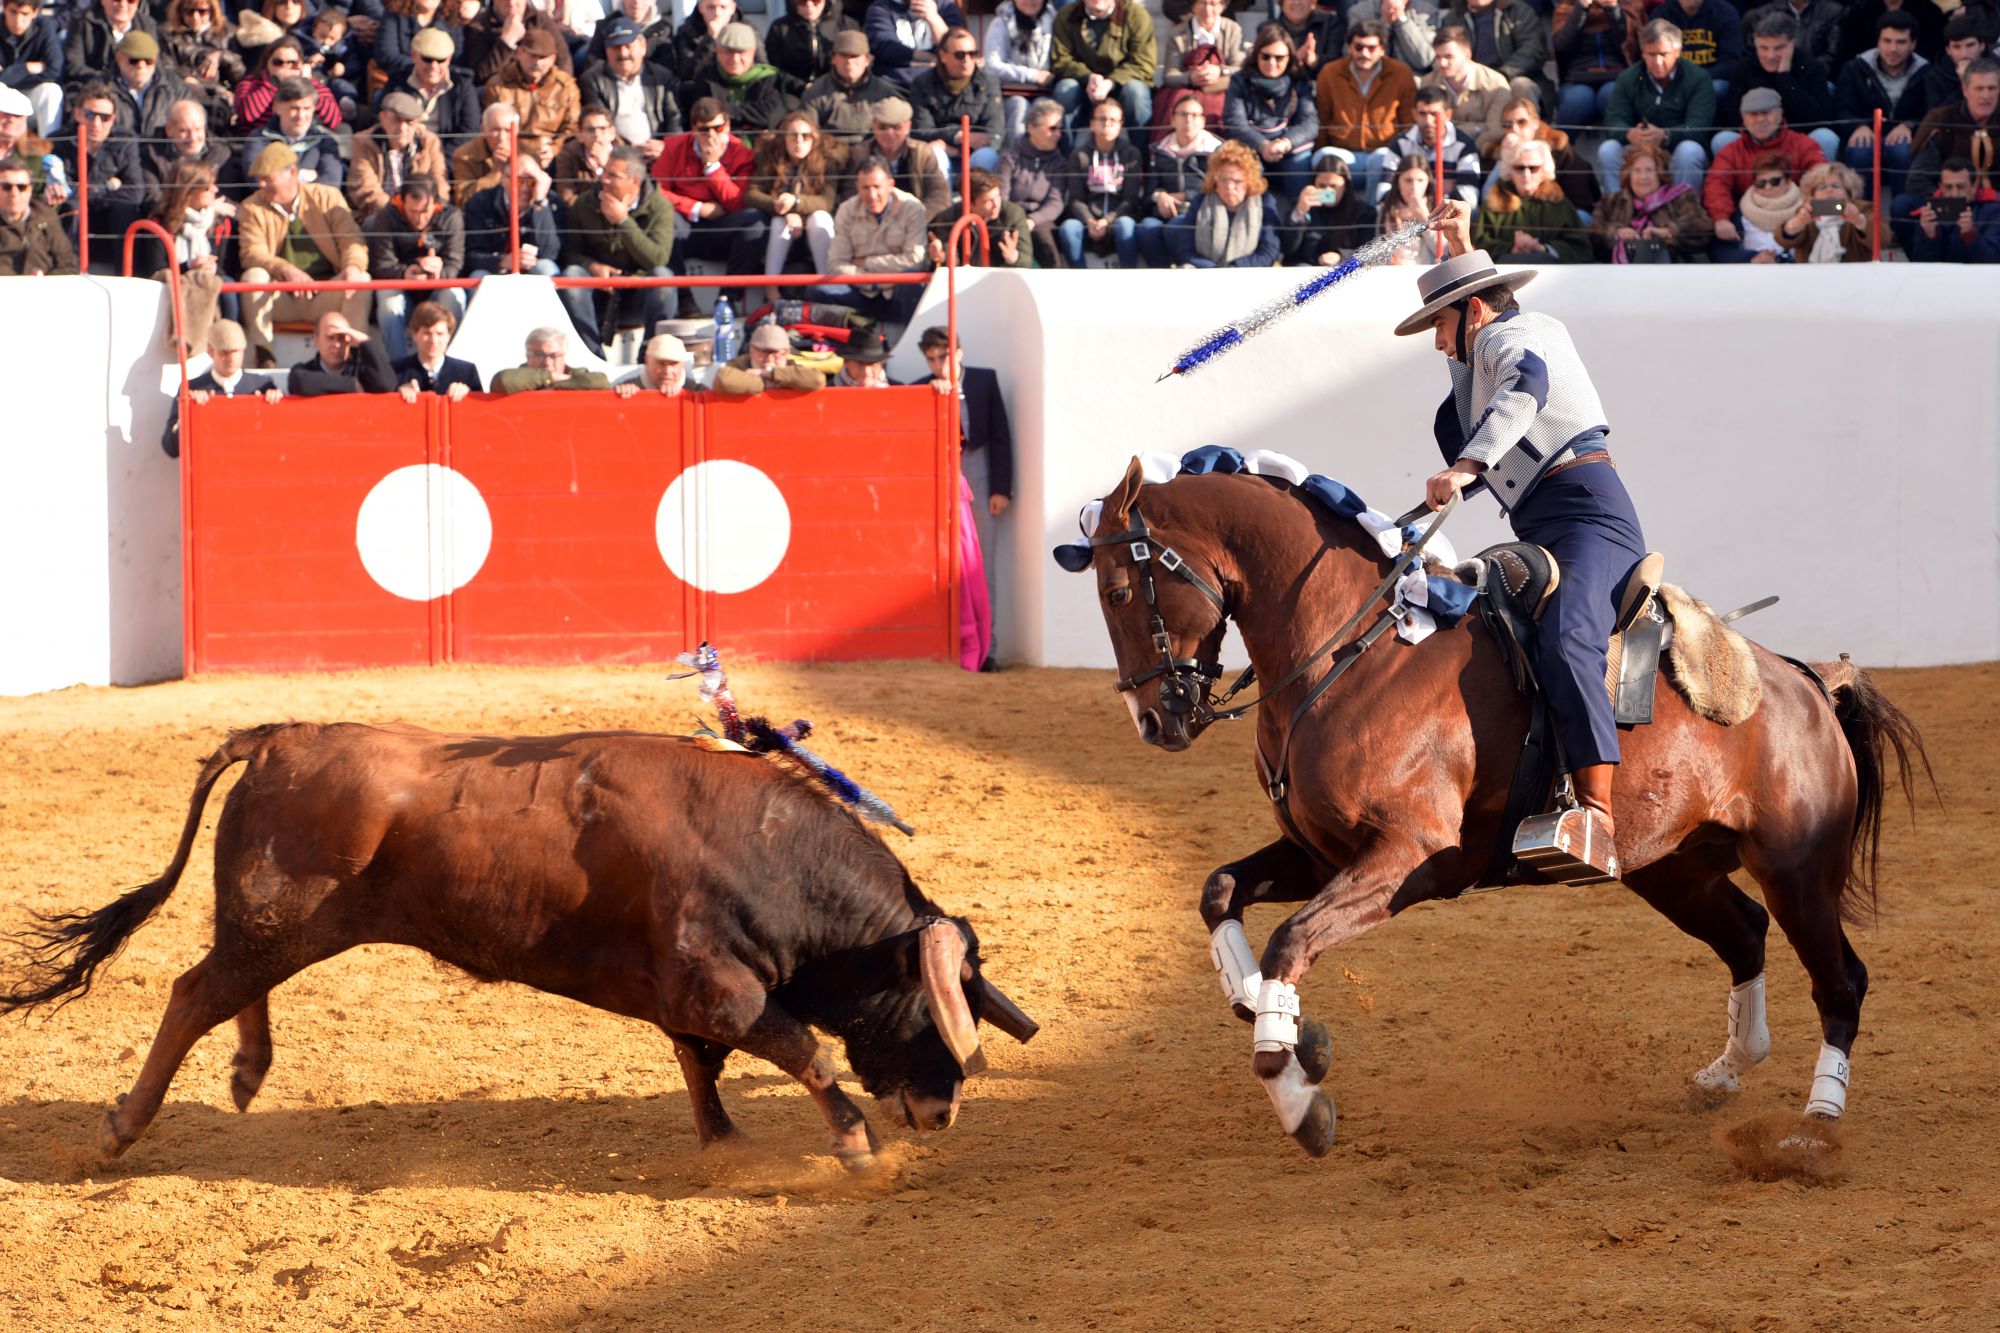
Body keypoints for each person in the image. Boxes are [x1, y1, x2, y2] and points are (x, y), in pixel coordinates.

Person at [1397, 199, 1645, 882]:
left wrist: (1464, 467)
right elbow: (1473, 395)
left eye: (1441, 325)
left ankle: (1597, 813)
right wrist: (1459, 248)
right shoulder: (1493, 340)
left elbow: (1520, 389)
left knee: (1569, 638)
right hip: (1544, 521)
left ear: (1475, 310)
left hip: (1590, 515)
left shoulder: (1519, 335)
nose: (1437, 342)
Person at [919, 322, 1009, 671]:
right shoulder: (924, 388)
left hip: (980, 478)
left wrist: (1001, 488)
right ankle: (949, 647)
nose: (938, 364)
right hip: (941, 482)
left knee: (981, 565)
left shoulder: (984, 380)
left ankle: (989, 650)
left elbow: (1000, 436)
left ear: (959, 352)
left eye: (943, 356)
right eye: (931, 359)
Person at [236, 141, 370, 368]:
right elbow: (252, 253)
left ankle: (356, 356)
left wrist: (352, 267)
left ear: (292, 173)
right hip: (283, 297)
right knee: (253, 278)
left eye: (267, 179)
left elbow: (352, 240)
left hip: (326, 295)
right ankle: (264, 354)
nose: (261, 184)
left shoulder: (327, 197)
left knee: (361, 280)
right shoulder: (251, 207)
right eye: (260, 179)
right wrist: (286, 270)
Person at [561, 143, 677, 354]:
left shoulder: (660, 207)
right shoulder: (584, 203)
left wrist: (623, 221)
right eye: (604, 172)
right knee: (572, 275)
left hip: (638, 294)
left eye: (613, 176)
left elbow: (658, 259)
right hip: (598, 293)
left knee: (663, 278)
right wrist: (591, 266)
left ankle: (650, 353)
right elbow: (568, 253)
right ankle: (592, 354)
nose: (604, 180)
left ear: (634, 181)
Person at [652, 96, 762, 316]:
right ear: (693, 129)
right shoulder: (674, 146)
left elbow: (738, 202)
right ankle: (685, 300)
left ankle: (728, 299)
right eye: (704, 130)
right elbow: (656, 192)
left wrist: (712, 167)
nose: (711, 135)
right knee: (663, 215)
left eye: (718, 128)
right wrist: (696, 208)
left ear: (728, 125)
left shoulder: (742, 153)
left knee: (756, 221)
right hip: (685, 225)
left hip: (723, 228)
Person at [1599, 18, 1716, 193]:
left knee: (1690, 151)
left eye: (1663, 54)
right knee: (1608, 149)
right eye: (1651, 55)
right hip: (1640, 150)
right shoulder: (1628, 78)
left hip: (1677, 148)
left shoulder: (1698, 78)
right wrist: (1630, 133)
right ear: (1642, 53)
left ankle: (1684, 212)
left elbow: (1699, 126)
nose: (1657, 62)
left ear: (1677, 52)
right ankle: (1618, 210)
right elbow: (1614, 120)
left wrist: (1666, 135)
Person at [1702, 85, 1827, 248]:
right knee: (1721, 245)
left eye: (1766, 113)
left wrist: (1826, 208)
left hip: (1797, 214)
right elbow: (1717, 184)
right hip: (1748, 217)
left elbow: (1824, 179)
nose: (1760, 119)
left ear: (1780, 114)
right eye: (1753, 114)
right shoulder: (1730, 152)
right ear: (1743, 119)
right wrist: (1721, 219)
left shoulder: (1803, 144)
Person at [812, 157, 928, 322]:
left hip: (897, 291)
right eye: (865, 188)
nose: (872, 195)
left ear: (890, 184)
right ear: (857, 187)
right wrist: (874, 283)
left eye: (877, 187)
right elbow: (836, 264)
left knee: (912, 281)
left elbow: (915, 261)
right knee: (818, 290)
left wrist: (866, 263)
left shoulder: (912, 208)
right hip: (862, 290)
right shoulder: (846, 210)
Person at [1314, 19, 1416, 203]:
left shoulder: (1400, 73)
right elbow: (1322, 117)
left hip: (1384, 153)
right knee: (1323, 157)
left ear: (1382, 49)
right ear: (1349, 47)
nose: (1364, 53)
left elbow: (1408, 122)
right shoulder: (1330, 73)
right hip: (1344, 153)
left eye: (1371, 48)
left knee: (1381, 157)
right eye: (1358, 47)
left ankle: (1370, 215)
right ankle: (1326, 219)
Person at [366, 175, 464, 363]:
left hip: (437, 292)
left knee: (454, 294)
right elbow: (380, 264)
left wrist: (439, 272)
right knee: (388, 299)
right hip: (403, 292)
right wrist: (405, 273)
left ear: (435, 202)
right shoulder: (386, 216)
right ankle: (398, 368)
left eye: (425, 212)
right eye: (412, 212)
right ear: (401, 202)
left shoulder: (451, 216)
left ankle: (449, 365)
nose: (419, 219)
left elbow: (456, 263)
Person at [1834, 11, 1932, 198]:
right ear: (1878, 41)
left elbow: (1931, 112)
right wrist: (1858, 126)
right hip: (1867, 133)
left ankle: (1902, 216)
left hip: (1903, 137)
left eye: (1901, 42)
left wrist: (1910, 125)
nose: (1893, 48)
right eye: (1887, 41)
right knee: (1860, 150)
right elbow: (1841, 109)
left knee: (1903, 150)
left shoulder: (1926, 72)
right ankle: (1862, 217)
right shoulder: (1855, 68)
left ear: (1913, 44)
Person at [47, 83, 144, 270]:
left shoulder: (126, 141)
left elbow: (135, 192)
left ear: (113, 119)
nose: (96, 123)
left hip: (108, 219)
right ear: (77, 114)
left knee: (125, 209)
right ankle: (69, 272)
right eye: (90, 115)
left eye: (105, 117)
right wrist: (107, 186)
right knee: (72, 207)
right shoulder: (58, 142)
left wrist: (85, 190)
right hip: (74, 221)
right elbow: (61, 191)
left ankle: (126, 275)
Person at [1717, 13, 1839, 161]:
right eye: (1764, 48)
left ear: (1792, 44)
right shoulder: (1744, 68)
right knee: (1723, 139)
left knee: (1825, 137)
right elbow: (1732, 116)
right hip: (1754, 142)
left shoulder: (1811, 67)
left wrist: (1784, 77)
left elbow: (1818, 118)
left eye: (1778, 48)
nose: (1770, 55)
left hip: (1798, 143)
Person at [739, 107, 837, 281]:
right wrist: (777, 206)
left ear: (814, 139)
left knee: (820, 218)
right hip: (781, 229)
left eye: (805, 136)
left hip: (813, 230)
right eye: (793, 136)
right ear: (784, 138)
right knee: (779, 222)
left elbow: (827, 201)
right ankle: (771, 287)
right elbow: (751, 194)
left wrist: (796, 203)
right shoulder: (771, 158)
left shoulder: (827, 161)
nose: (799, 142)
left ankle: (826, 283)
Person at [160, 319, 282, 458]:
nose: (230, 358)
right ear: (211, 351)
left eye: (235, 351)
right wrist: (190, 413)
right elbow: (170, 448)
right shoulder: (191, 388)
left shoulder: (263, 385)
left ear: (243, 351)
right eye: (224, 352)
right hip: (210, 474)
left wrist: (277, 405)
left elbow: (280, 439)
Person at [1226, 23, 1320, 199]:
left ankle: (1299, 219)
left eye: (1279, 58)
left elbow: (1310, 123)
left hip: (1287, 148)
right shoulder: (1240, 81)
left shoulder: (1298, 80)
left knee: (1299, 163)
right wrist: (1263, 145)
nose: (1272, 63)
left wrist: (1285, 142)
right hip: (1252, 147)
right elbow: (1234, 122)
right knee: (1247, 165)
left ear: (1289, 58)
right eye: (1265, 57)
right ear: (1256, 55)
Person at [1165, 137, 1282, 265]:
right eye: (1224, 180)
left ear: (1249, 181)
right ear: (1215, 180)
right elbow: (1184, 250)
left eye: (1237, 181)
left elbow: (1269, 251)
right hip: (1205, 274)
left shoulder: (1264, 203)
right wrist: (1213, 270)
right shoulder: (1200, 201)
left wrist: (1234, 268)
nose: (1230, 187)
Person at [1590, 139, 1712, 260]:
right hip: (1619, 272)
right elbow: (1593, 230)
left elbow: (1702, 228)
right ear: (1629, 175)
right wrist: (1616, 233)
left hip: (1673, 268)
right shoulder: (1611, 201)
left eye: (1649, 170)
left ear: (1659, 174)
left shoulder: (1681, 197)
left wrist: (1669, 232)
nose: (1643, 177)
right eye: (1637, 171)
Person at [581, 17, 681, 163]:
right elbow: (601, 124)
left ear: (643, 47)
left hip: (660, 153)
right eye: (616, 48)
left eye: (628, 46)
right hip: (616, 156)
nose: (623, 53)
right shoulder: (593, 80)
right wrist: (629, 150)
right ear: (606, 51)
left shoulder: (662, 77)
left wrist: (666, 146)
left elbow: (675, 118)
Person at [1471, 136, 1589, 259]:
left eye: (1533, 168)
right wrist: (1512, 247)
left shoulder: (1557, 201)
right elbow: (1479, 244)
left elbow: (1580, 248)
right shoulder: (1495, 200)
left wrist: (1543, 249)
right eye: (1520, 168)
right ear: (1510, 171)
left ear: (1544, 171)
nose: (1526, 175)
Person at [1058, 95, 1143, 265]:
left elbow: (1130, 199)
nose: (1107, 124)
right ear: (1092, 124)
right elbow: (1076, 198)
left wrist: (1107, 220)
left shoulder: (1131, 154)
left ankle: (1131, 277)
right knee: (1068, 228)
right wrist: (1089, 220)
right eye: (1102, 119)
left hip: (1118, 217)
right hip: (1087, 220)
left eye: (1113, 120)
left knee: (1126, 226)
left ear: (1120, 126)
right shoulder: (1079, 155)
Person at [1049, 0, 1156, 134]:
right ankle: (1065, 152)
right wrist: (1088, 77)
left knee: (1136, 92)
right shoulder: (1067, 15)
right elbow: (1060, 60)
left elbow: (1144, 62)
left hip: (1122, 86)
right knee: (1065, 89)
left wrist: (1110, 82)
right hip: (1083, 86)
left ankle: (1141, 153)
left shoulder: (1135, 15)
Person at [1137, 93, 1220, 264]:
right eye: (1183, 114)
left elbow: (1219, 188)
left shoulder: (1217, 151)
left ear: (1203, 121)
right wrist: (1159, 197)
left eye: (1194, 115)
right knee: (1146, 228)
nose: (1189, 120)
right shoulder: (1159, 151)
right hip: (1165, 213)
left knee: (1177, 226)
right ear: (1173, 120)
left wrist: (1184, 196)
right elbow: (1148, 194)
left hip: (1203, 211)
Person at [909, 25, 1004, 173]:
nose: (967, 60)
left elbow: (994, 132)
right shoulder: (922, 84)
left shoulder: (989, 83)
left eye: (972, 54)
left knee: (988, 155)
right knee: (933, 153)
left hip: (975, 154)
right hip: (942, 151)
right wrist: (958, 136)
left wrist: (959, 145)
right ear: (943, 55)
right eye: (960, 55)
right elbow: (921, 131)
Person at [1483, 95, 1600, 212]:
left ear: (1535, 123)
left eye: (1521, 122)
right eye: (1508, 125)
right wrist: (1505, 157)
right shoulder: (1500, 147)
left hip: (1565, 210)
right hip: (1519, 214)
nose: (1515, 129)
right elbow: (1487, 199)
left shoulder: (1557, 147)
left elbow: (1580, 193)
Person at [845, 94, 951, 220]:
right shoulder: (858, 154)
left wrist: (916, 218)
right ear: (873, 126)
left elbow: (939, 196)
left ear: (908, 126)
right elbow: (849, 195)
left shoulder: (922, 153)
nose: (890, 133)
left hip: (916, 222)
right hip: (870, 225)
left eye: (896, 127)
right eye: (883, 127)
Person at [483, 26, 580, 160]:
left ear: (553, 58)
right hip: (508, 156)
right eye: (532, 55)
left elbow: (572, 127)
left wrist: (554, 149)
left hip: (551, 157)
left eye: (543, 57)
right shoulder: (499, 84)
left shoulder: (566, 87)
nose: (537, 62)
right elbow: (489, 127)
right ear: (519, 53)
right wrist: (505, 147)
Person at [350, 90, 448, 221]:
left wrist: (426, 210)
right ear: (382, 118)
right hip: (383, 215)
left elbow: (440, 182)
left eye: (409, 122)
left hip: (423, 212)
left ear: (417, 122)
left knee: (451, 219)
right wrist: (402, 213)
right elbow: (366, 189)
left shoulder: (429, 142)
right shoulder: (363, 142)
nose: (403, 128)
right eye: (397, 120)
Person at [678, 20, 790, 135]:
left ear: (753, 52)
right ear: (717, 51)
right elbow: (704, 115)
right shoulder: (706, 78)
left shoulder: (768, 79)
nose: (735, 59)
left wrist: (726, 111)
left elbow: (770, 115)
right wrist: (749, 118)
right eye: (728, 52)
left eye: (742, 52)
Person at [1439, 0, 1550, 112]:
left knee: (1522, 86)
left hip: (1511, 77)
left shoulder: (1518, 11)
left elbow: (1532, 49)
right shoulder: (1453, 17)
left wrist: (1502, 74)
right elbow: (1444, 51)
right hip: (1471, 80)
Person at [384, 26, 482, 153]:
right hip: (402, 156)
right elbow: (385, 122)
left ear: (449, 59)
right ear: (414, 56)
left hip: (446, 161)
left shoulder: (463, 87)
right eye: (427, 59)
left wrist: (439, 161)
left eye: (441, 60)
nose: (433, 66)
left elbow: (469, 132)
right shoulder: (397, 83)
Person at [237, 76, 345, 192]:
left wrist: (280, 179)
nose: (301, 116)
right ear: (277, 107)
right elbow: (257, 179)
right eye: (294, 108)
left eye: (307, 108)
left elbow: (331, 186)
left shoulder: (325, 142)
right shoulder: (258, 138)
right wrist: (303, 176)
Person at [1550, 0, 1644, 129]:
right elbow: (1562, 46)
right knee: (1578, 99)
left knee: (1611, 94)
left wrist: (1613, 10)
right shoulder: (1566, 8)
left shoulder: (1629, 5)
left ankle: (1619, 144)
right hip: (1577, 78)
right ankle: (1562, 147)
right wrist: (1580, 9)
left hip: (1617, 75)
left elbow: (1631, 47)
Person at [1159, 0, 1246, 136]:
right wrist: (1191, 77)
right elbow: (1170, 75)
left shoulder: (1233, 29)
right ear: (1192, 6)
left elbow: (1240, 68)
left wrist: (1221, 71)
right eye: (1202, 3)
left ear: (1222, 6)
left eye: (1213, 4)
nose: (1208, 9)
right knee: (1178, 104)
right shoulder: (1178, 33)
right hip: (1188, 86)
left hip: (1221, 86)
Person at [1385, 84, 1481, 205]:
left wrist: (1416, 198)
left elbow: (1469, 198)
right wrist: (1440, 189)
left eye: (1434, 114)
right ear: (1414, 114)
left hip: (1447, 220)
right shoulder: (1400, 144)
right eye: (1422, 114)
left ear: (1448, 115)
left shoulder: (1464, 144)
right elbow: (1383, 194)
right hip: (1408, 218)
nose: (1428, 121)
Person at [802, 27, 899, 144]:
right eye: (843, 55)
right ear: (833, 58)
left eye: (855, 56)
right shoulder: (815, 92)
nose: (849, 61)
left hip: (872, 152)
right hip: (829, 152)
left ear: (867, 60)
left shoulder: (885, 92)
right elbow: (808, 133)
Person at [1423, 23, 1511, 145]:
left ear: (1467, 55)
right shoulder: (1428, 82)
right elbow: (1426, 127)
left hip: (1480, 152)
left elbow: (1495, 131)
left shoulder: (1495, 84)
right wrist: (1477, 128)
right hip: (1439, 150)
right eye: (1438, 57)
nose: (1442, 63)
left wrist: (1463, 149)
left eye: (1449, 57)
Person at [233, 37, 341, 131]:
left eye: (292, 63)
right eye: (278, 62)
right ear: (267, 62)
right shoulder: (250, 84)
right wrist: (273, 83)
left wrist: (307, 85)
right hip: (262, 143)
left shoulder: (313, 85)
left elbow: (333, 121)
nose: (285, 67)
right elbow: (246, 116)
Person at [985, 0, 1057, 141]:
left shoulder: (1055, 21)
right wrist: (1031, 75)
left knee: (1042, 109)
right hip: (1010, 91)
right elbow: (992, 65)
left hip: (1046, 91)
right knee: (1019, 107)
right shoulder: (1001, 23)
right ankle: (1016, 159)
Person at [1774, 158, 1874, 259]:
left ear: (1848, 192)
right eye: (1822, 187)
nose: (1829, 190)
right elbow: (1782, 240)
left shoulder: (1863, 209)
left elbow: (1883, 238)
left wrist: (1859, 221)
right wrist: (1795, 224)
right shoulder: (1806, 211)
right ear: (1812, 195)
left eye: (1835, 186)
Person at [106, 30, 195, 141]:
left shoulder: (175, 88)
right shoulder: (103, 89)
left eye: (148, 61)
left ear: (156, 59)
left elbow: (194, 124)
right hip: (119, 156)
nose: (141, 66)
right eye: (134, 60)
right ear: (119, 58)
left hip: (163, 156)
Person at [934, 165, 1033, 265]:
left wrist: (1013, 257)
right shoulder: (949, 218)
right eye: (988, 201)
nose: (996, 204)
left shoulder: (1013, 214)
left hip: (1001, 278)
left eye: (998, 196)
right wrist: (943, 257)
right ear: (970, 203)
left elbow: (1026, 260)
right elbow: (954, 263)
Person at [1283, 154, 1374, 261]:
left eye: (1333, 186)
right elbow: (1287, 249)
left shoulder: (1363, 212)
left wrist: (1341, 256)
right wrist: (1300, 212)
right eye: (1322, 186)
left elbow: (1369, 251)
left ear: (1345, 186)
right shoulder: (1303, 206)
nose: (1328, 191)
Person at [1907, 155, 2000, 260]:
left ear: (1974, 187)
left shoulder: (1994, 210)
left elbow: (1994, 261)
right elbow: (1919, 266)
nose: (1954, 194)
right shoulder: (1930, 212)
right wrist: (1929, 237)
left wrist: (1971, 235)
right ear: (1941, 187)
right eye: (1948, 187)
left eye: (1961, 187)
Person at [288, 309, 399, 397]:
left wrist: (364, 341)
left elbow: (387, 384)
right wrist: (352, 385)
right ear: (317, 339)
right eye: (330, 338)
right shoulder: (303, 371)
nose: (336, 345)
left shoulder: (361, 371)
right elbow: (299, 382)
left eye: (342, 337)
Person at [464, 0, 575, 84]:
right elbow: (479, 76)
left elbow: (563, 59)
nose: (511, 2)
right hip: (502, 92)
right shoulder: (478, 27)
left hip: (542, 90)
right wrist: (506, 42)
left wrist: (555, 88)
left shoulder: (540, 20)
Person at [1721, 148, 1804, 260]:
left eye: (1775, 181)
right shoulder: (1742, 209)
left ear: (1787, 181)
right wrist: (1751, 258)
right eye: (1761, 183)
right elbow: (1721, 251)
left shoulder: (1805, 206)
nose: (1768, 187)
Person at [0, 151, 74, 275]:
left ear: (30, 189)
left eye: (21, 187)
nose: (14, 193)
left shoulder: (46, 216)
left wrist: (45, 282)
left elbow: (68, 264)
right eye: (6, 187)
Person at [866, 0, 967, 91]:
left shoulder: (945, 6)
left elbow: (957, 46)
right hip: (895, 85)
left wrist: (933, 18)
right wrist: (927, 58)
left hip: (939, 84)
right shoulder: (880, 8)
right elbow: (885, 47)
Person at [63, 0, 156, 97]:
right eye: (117, 0)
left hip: (137, 89)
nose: (123, 5)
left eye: (131, 1)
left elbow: (156, 65)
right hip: (93, 90)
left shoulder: (147, 25)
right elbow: (73, 66)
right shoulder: (82, 22)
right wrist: (110, 80)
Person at [1, 0, 64, 139]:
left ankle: (49, 152)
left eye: (24, 13)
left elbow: (54, 70)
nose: (18, 19)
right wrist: (27, 67)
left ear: (35, 12)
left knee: (51, 92)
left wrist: (8, 74)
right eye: (13, 12)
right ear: (3, 8)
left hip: (29, 97)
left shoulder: (44, 27)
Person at [394, 298, 480, 400]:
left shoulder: (467, 372)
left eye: (440, 334)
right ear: (414, 334)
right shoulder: (395, 372)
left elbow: (483, 412)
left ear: (449, 335)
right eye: (427, 333)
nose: (433, 340)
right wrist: (396, 395)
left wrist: (469, 396)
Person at [713, 320, 827, 393]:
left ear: (787, 353)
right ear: (751, 350)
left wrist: (768, 373)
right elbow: (723, 380)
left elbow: (817, 380)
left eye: (776, 354)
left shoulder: (790, 365)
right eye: (762, 354)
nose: (769, 360)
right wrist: (768, 384)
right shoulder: (740, 364)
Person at [492, 325, 614, 393]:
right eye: (539, 354)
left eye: (554, 356)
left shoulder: (576, 374)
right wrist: (553, 377)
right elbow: (503, 381)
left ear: (564, 354)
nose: (547, 362)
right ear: (527, 355)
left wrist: (554, 387)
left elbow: (600, 382)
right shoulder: (517, 377)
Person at [1376, 150, 1450, 260]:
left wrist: (1425, 219)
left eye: (1420, 180)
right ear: (1398, 182)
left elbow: (1448, 253)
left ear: (1428, 182)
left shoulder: (1441, 209)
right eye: (1408, 180)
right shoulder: (1386, 210)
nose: (1414, 187)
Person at [767, 0, 858, 89]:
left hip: (837, 86)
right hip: (793, 89)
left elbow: (858, 62)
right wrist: (800, 86)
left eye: (816, 1)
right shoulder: (779, 28)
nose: (809, 5)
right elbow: (773, 68)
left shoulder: (847, 25)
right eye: (801, 2)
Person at [1662, 0, 1742, 96]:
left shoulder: (1724, 12)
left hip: (1713, 79)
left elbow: (1732, 60)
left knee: (1716, 87)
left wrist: (1698, 78)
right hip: (1675, 80)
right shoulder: (1663, 14)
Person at [1741, 0, 1845, 69]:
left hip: (1814, 78)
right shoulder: (1763, 14)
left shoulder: (1833, 12)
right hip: (1771, 78)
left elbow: (1832, 54)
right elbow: (1752, 54)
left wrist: (1806, 72)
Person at [1350, 0, 1442, 76]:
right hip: (1371, 75)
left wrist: (1402, 21)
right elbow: (1351, 54)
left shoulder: (1426, 12)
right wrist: (1384, 24)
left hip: (1412, 77)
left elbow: (1424, 60)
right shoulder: (1359, 12)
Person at [553, 102, 618, 204]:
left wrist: (606, 165)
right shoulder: (567, 155)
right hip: (584, 216)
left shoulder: (625, 155)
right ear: (579, 135)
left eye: (602, 129)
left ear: (612, 133)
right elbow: (567, 197)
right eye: (590, 130)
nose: (597, 135)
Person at [1270, 0, 1343, 79]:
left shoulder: (1331, 24)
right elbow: (1266, 67)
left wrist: (1315, 60)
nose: (1297, 2)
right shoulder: (1268, 30)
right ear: (1281, 4)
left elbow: (1337, 63)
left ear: (1313, 3)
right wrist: (1295, 60)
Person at [614, 331, 698, 396]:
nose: (667, 371)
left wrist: (684, 395)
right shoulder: (625, 390)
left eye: (673, 364)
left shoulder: (697, 391)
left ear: (682, 363)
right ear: (647, 361)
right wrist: (621, 400)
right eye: (661, 363)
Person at [830, 320, 890, 385]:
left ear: (881, 365)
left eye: (872, 364)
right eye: (860, 364)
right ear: (846, 362)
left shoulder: (899, 391)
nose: (866, 372)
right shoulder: (824, 392)